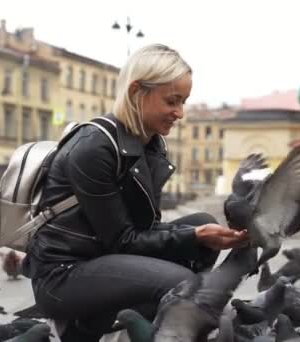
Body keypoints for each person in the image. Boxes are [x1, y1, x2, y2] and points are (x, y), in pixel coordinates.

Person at [21, 44, 248, 341]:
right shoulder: (94, 147)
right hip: (63, 274)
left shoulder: (150, 143)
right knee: (184, 281)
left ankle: (143, 324)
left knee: (200, 223)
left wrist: (198, 236)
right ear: (136, 92)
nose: (180, 113)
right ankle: (83, 327)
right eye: (172, 101)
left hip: (104, 257)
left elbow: (142, 230)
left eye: (184, 102)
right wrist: (193, 237)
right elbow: (123, 240)